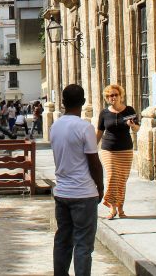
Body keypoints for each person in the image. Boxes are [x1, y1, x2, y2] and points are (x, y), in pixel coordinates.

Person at [50, 84, 104, 276]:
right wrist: (100, 186)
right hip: (83, 192)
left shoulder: (55, 126)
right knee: (83, 244)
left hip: (62, 192)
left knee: (63, 240)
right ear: (82, 102)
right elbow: (94, 162)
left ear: (63, 102)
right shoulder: (85, 127)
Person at [96, 84, 139, 219]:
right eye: (110, 96)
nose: (113, 97)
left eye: (115, 94)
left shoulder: (129, 110)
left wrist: (133, 126)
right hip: (108, 149)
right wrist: (91, 148)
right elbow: (99, 131)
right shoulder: (104, 113)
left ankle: (120, 208)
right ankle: (112, 208)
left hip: (125, 150)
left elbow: (137, 128)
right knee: (112, 176)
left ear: (121, 96)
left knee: (121, 180)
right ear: (107, 98)